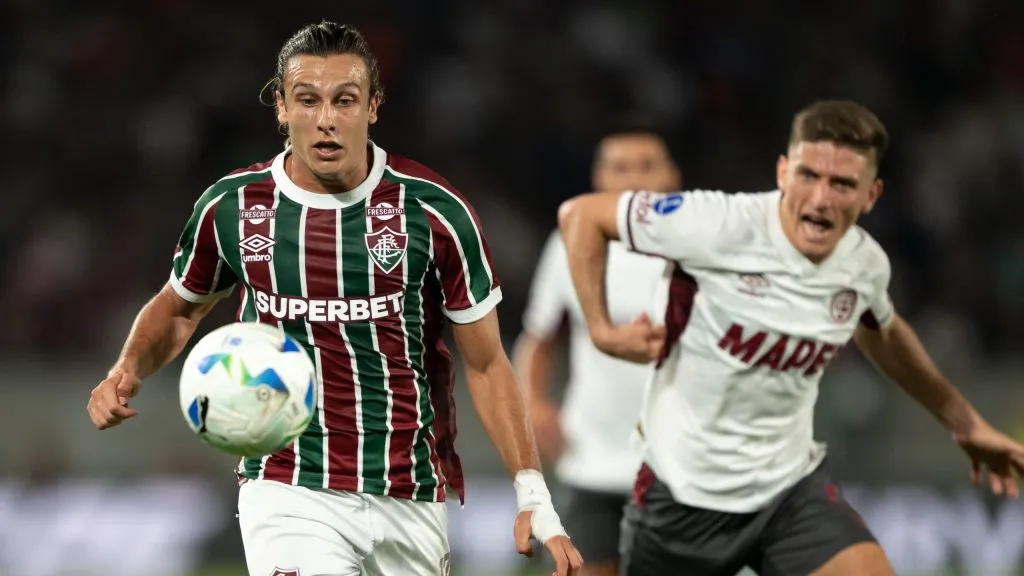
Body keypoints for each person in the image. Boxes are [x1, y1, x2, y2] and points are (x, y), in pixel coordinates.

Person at [86, 21, 583, 576]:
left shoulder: (435, 213)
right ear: (280, 106)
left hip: (409, 491)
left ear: (373, 106)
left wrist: (533, 493)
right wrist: (126, 367)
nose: (326, 118)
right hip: (288, 487)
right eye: (307, 100)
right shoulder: (233, 206)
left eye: (345, 100)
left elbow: (488, 362)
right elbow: (179, 307)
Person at [557, 99, 1024, 576]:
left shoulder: (863, 265)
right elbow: (581, 217)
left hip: (787, 496)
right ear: (783, 172)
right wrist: (602, 330)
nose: (821, 198)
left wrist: (962, 422)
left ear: (871, 195)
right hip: (681, 498)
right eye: (809, 175)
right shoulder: (715, 224)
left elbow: (882, 331)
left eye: (842, 184)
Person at [513, 124, 680, 576]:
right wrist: (533, 404)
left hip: (678, 466)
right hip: (593, 457)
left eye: (648, 166)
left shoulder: (695, 250)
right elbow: (538, 338)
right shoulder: (570, 242)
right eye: (621, 167)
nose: (634, 179)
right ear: (599, 178)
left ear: (672, 177)